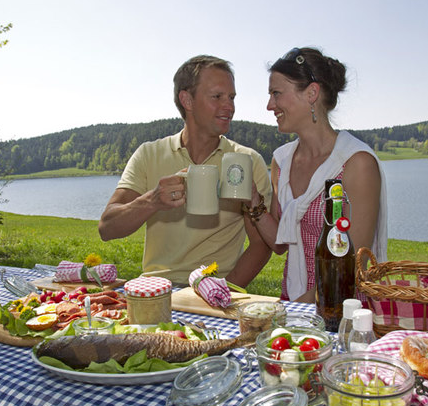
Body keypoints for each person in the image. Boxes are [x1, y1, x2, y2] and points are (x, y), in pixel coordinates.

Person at [98, 55, 273, 287]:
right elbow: (107, 228)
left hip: (216, 292)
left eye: (231, 97)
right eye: (217, 97)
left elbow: (262, 244)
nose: (229, 106)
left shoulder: (246, 162)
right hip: (156, 289)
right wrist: (152, 201)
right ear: (187, 100)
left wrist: (221, 292)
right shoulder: (148, 154)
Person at [242, 47, 388, 303]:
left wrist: (293, 312)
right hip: (294, 302)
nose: (269, 105)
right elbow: (279, 244)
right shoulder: (282, 161)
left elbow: (354, 267)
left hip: (341, 313)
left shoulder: (357, 164)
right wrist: (252, 201)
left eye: (276, 93)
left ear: (311, 93)